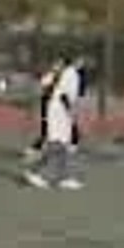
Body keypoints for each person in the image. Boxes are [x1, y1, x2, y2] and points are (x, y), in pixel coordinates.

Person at [24, 58, 83, 190]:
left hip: (61, 111)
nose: (83, 62)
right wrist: (71, 111)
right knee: (57, 144)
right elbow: (62, 94)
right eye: (80, 59)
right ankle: (36, 173)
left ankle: (65, 178)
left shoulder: (70, 73)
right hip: (58, 112)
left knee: (62, 145)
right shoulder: (70, 73)